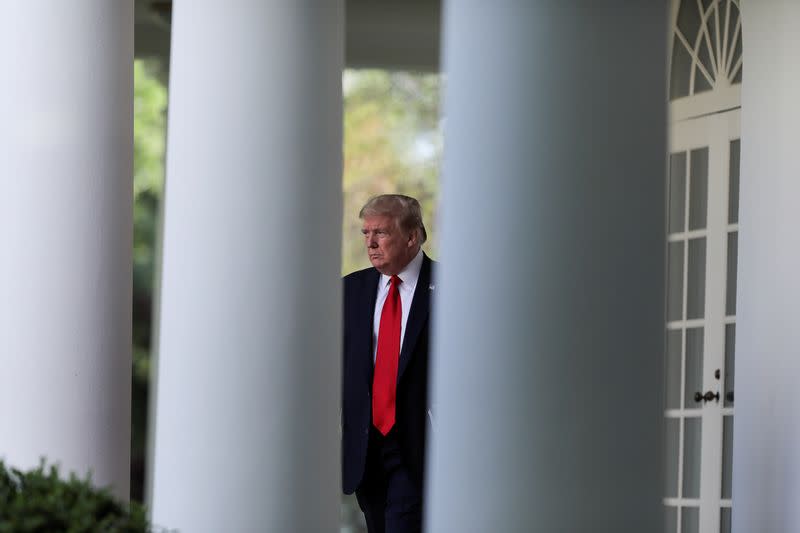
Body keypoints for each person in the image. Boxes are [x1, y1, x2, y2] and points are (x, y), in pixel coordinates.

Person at [342, 194, 435, 533]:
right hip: (366, 451)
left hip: (418, 449)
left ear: (412, 236)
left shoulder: (450, 288)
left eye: (380, 233)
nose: (371, 243)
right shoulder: (351, 290)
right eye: (365, 234)